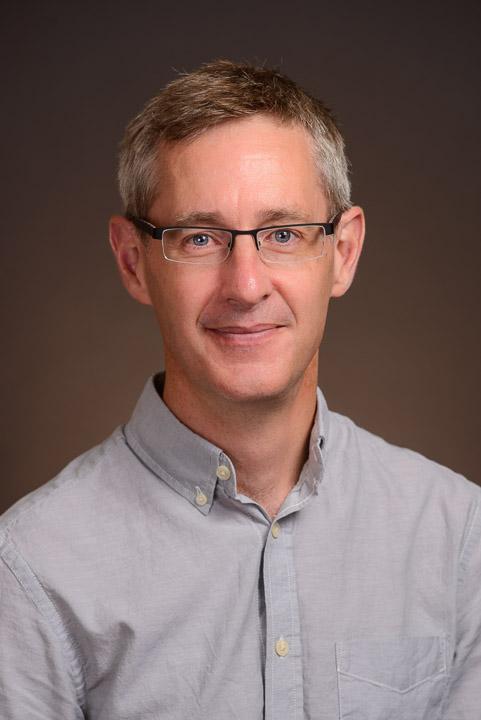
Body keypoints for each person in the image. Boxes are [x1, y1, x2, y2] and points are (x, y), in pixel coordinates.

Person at [0, 59, 479, 720]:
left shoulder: (459, 540)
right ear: (133, 262)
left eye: (283, 234)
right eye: (199, 238)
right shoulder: (32, 570)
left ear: (342, 253)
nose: (246, 285)